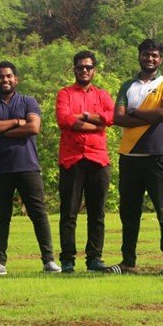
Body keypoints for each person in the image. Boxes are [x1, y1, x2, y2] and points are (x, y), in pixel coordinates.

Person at [0, 61, 60, 275]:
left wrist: (1, 130)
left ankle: (49, 260)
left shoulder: (28, 101)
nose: (5, 79)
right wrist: (17, 122)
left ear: (16, 79)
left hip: (27, 166)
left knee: (38, 214)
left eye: (9, 76)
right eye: (0, 76)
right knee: (1, 217)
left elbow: (33, 127)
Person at [111, 39, 163, 275]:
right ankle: (128, 262)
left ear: (160, 59)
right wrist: (146, 116)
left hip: (157, 156)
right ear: (139, 55)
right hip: (129, 156)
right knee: (129, 213)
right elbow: (118, 118)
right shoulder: (127, 86)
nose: (150, 58)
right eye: (146, 54)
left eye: (154, 55)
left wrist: (135, 112)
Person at [55, 51, 116, 273]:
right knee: (69, 213)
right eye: (80, 67)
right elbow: (64, 119)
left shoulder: (102, 94)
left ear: (94, 70)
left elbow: (112, 117)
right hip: (72, 159)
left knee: (97, 213)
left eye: (88, 67)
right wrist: (96, 123)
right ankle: (67, 260)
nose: (84, 70)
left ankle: (94, 259)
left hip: (98, 158)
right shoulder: (65, 93)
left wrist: (83, 116)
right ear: (74, 69)